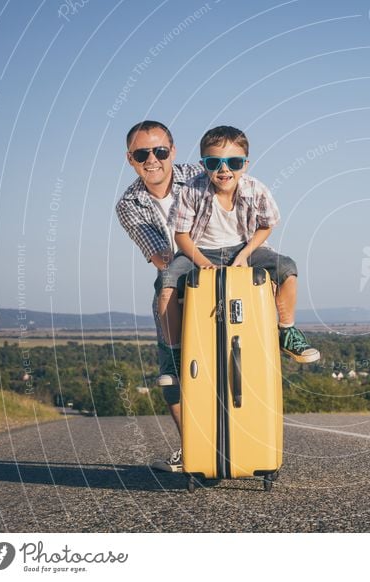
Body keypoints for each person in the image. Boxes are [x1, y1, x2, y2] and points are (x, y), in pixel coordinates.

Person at [162, 125, 320, 367]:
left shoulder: (256, 189)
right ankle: (175, 354)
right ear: (203, 164)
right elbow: (181, 236)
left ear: (245, 164)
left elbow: (267, 225)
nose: (224, 169)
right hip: (200, 250)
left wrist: (245, 253)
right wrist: (203, 264)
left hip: (245, 246)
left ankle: (287, 332)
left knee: (287, 268)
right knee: (166, 283)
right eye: (214, 162)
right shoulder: (191, 191)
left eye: (233, 162)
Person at [115, 120, 202, 472]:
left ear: (173, 152)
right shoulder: (128, 204)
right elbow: (161, 256)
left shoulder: (202, 173)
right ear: (130, 159)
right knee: (171, 373)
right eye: (142, 153)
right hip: (176, 278)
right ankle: (192, 444)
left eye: (160, 151)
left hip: (226, 268)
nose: (152, 159)